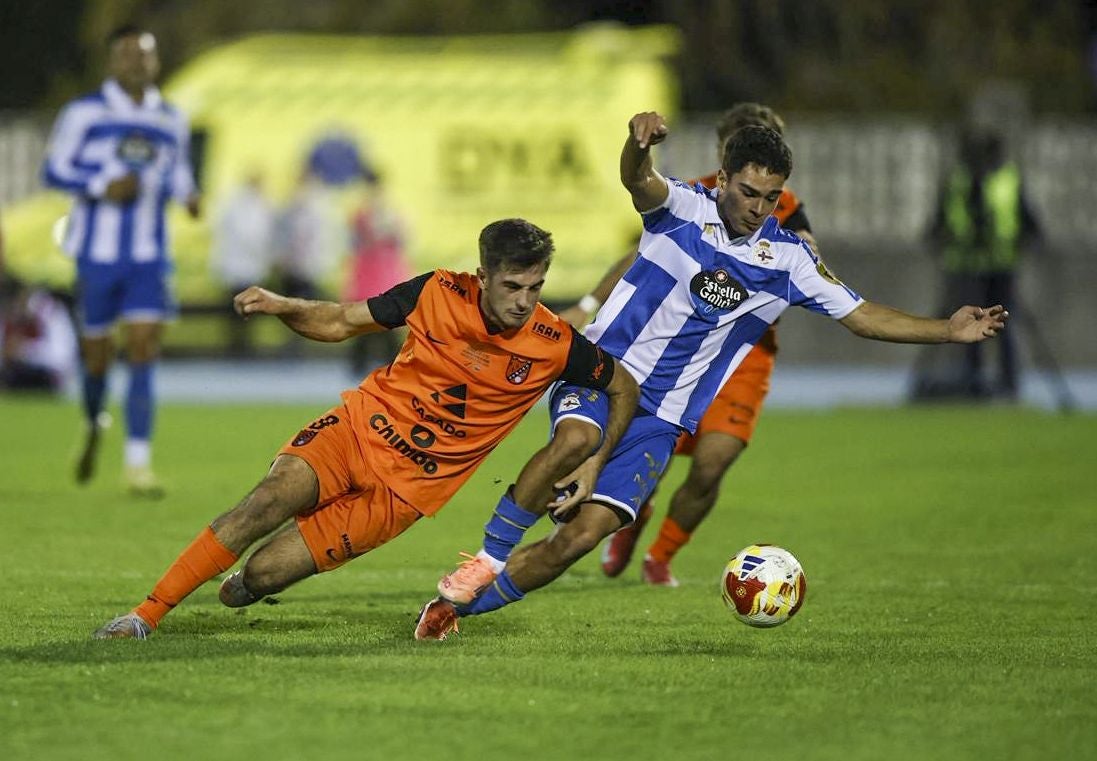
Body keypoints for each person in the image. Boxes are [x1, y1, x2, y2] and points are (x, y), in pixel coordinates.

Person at [414, 111, 1008, 640]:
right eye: (747, 191)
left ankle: (453, 610)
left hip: (662, 418)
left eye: (770, 198)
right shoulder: (680, 208)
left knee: (579, 538)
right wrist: (637, 145)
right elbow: (635, 179)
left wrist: (946, 330)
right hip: (598, 376)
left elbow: (863, 316)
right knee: (577, 440)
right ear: (720, 179)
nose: (757, 207)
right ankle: (488, 558)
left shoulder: (788, 261)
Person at [92, 218, 639, 640]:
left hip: (402, 493)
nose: (524, 301)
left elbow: (623, 388)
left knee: (258, 579)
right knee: (262, 503)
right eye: (513, 285)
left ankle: (239, 583)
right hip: (354, 432)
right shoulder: (436, 292)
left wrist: (593, 461)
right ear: (482, 277)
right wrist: (284, 305)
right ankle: (144, 616)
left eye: (536, 287)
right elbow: (341, 320)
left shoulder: (554, 344)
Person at [560, 103, 815, 587]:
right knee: (647, 451)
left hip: (742, 355)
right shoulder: (694, 196)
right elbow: (641, 255)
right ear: (726, 154)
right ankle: (631, 511)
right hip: (675, 347)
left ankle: (661, 556)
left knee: (713, 462)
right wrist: (591, 301)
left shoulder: (785, 205)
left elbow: (805, 255)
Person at [42, 24, 200, 496]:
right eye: (127, 55)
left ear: (156, 62)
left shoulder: (171, 117)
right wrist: (100, 186)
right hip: (96, 255)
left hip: (149, 257)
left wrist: (190, 196)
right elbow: (53, 169)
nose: (136, 63)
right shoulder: (84, 113)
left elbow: (180, 175)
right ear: (113, 62)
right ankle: (94, 421)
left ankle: (137, 464)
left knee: (145, 347)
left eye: (144, 55)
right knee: (97, 360)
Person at [912, 127, 1041, 401]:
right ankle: (973, 382)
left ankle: (1007, 385)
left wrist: (1017, 243)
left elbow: (1030, 224)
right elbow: (938, 223)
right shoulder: (958, 181)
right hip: (965, 266)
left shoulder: (1008, 180)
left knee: (1003, 326)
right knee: (968, 326)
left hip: (1000, 266)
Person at [344, 172, 411, 376]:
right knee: (362, 322)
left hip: (386, 274)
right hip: (367, 274)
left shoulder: (393, 214)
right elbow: (355, 243)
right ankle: (358, 368)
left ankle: (394, 369)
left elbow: (403, 241)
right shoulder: (360, 216)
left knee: (390, 323)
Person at [209, 171, 274, 356]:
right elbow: (247, 235)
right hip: (237, 264)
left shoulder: (261, 204)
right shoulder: (238, 203)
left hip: (250, 265)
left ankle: (244, 343)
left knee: (250, 307)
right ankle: (236, 344)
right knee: (237, 307)